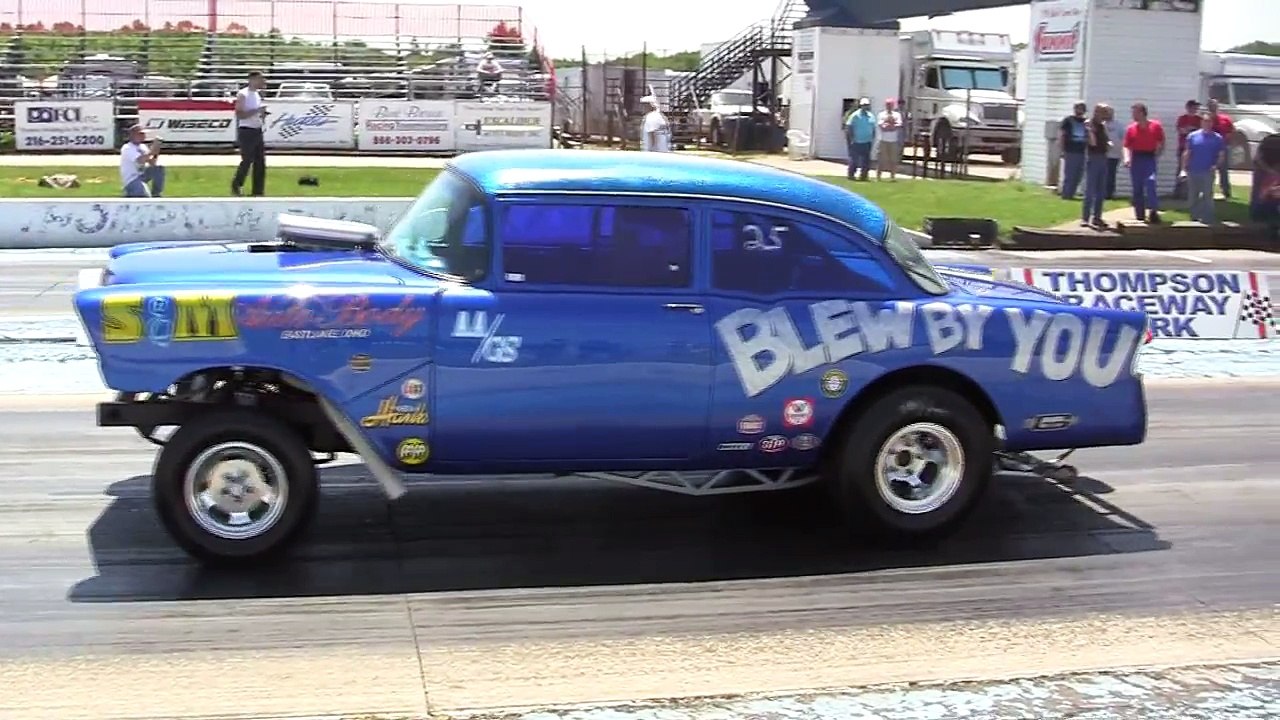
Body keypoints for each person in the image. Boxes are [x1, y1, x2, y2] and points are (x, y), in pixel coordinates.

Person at [1122, 102, 1165, 224]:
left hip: (1149, 157)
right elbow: (1126, 146)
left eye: (1135, 112)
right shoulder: (1131, 129)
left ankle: (1153, 211)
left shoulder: (1155, 126)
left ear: (1142, 113)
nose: (1133, 115)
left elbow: (1161, 141)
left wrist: (1157, 153)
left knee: (1151, 182)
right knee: (1137, 187)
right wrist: (1127, 158)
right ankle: (1140, 215)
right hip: (1136, 158)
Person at [1181, 110, 1227, 224]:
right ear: (1201, 122)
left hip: (1208, 171)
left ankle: (1208, 219)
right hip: (1193, 170)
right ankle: (1194, 218)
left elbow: (1221, 155)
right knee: (1193, 195)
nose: (1207, 123)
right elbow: (1187, 152)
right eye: (1205, 121)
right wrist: (1183, 169)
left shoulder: (1217, 138)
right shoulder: (1192, 136)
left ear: (1212, 123)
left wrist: (1215, 166)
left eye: (1209, 121)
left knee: (1207, 195)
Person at [231, 70, 268, 197]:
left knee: (260, 162)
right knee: (247, 160)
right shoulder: (243, 94)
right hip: (247, 130)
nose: (263, 82)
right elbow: (240, 114)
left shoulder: (257, 95)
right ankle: (237, 184)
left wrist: (262, 115)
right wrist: (256, 110)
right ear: (252, 80)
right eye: (260, 79)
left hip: (257, 129)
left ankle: (258, 191)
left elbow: (254, 112)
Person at [1080, 103, 1111, 228]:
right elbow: (1092, 143)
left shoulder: (1102, 126)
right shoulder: (1089, 124)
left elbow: (1105, 139)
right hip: (1093, 158)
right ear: (1098, 112)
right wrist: (1090, 131)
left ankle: (1097, 217)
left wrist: (1108, 143)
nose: (1106, 115)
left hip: (1103, 157)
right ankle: (1085, 218)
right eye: (1104, 112)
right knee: (1090, 189)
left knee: (1101, 190)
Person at [120, 123, 165, 198]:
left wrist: (156, 151)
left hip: (142, 175)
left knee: (159, 169)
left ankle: (156, 193)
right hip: (132, 178)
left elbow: (152, 163)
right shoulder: (127, 148)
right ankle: (129, 192)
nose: (143, 136)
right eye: (140, 134)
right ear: (133, 135)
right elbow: (140, 160)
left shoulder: (142, 147)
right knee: (145, 197)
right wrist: (152, 151)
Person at [1205, 98, 1235, 198]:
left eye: (1215, 106)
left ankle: (1226, 191)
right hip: (1208, 148)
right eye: (1211, 106)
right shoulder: (1206, 119)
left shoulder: (1225, 119)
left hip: (1222, 147)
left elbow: (1231, 131)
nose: (1213, 108)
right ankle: (1208, 191)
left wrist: (1227, 139)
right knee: (1208, 170)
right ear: (1208, 107)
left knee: (1223, 170)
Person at [1058, 101, 1088, 199]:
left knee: (1079, 173)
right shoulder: (1068, 120)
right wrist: (1062, 150)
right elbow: (1062, 135)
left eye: (1081, 108)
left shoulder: (1086, 122)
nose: (1079, 110)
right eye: (1078, 108)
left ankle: (1072, 192)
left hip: (1082, 151)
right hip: (1070, 150)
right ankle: (1066, 194)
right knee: (1070, 173)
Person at [1173, 99, 1201, 194]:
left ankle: (1191, 191)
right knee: (1181, 168)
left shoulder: (1199, 119)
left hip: (1195, 148)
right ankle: (1178, 191)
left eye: (1196, 107)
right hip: (1183, 146)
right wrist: (1191, 129)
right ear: (1188, 107)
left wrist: (1190, 129)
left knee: (1193, 169)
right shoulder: (1182, 118)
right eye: (1193, 107)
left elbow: (1200, 132)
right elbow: (1182, 131)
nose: (1195, 109)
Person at [844, 97, 875, 181]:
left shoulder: (871, 116)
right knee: (854, 160)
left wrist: (872, 137)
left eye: (867, 105)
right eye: (864, 105)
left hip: (867, 141)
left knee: (866, 160)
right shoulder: (855, 116)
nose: (866, 106)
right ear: (860, 106)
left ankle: (864, 176)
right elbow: (848, 127)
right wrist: (850, 139)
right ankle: (851, 175)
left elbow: (873, 128)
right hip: (856, 141)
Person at [876, 98, 903, 181]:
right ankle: (878, 177)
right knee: (881, 159)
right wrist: (891, 125)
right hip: (883, 140)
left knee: (893, 159)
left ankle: (893, 176)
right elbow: (882, 126)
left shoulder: (897, 115)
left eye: (890, 104)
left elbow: (899, 125)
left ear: (893, 105)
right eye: (887, 104)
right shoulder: (881, 114)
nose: (889, 106)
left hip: (893, 140)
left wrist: (890, 125)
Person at [1102, 104, 1123, 199]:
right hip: (1102, 154)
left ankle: (1109, 194)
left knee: (1111, 175)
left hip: (1114, 155)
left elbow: (1123, 138)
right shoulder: (1100, 124)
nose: (1107, 114)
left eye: (1109, 112)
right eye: (1105, 112)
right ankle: (1101, 192)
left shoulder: (1118, 125)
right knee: (1101, 174)